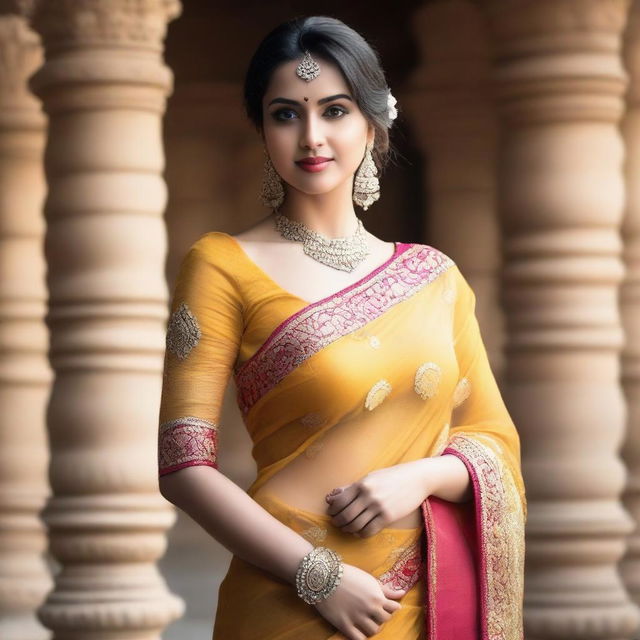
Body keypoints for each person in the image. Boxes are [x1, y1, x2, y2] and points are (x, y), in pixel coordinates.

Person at [157, 15, 526, 640]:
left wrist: (420, 477)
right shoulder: (221, 265)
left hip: (427, 603)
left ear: (373, 122)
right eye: (285, 114)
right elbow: (182, 465)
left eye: (334, 110)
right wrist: (318, 576)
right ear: (262, 129)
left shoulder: (434, 278)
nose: (311, 136)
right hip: (287, 601)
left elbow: (493, 439)